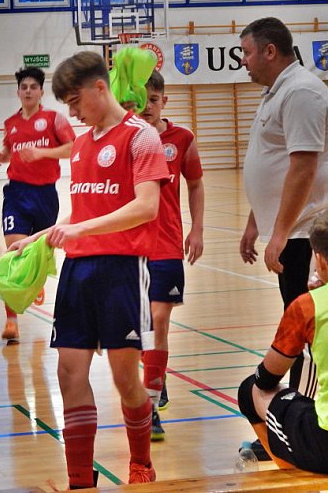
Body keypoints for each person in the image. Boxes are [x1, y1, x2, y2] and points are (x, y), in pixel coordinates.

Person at [12, 51, 169, 487]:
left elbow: (145, 207)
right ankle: (80, 477)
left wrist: (79, 229)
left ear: (100, 87)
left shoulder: (140, 137)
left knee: (124, 378)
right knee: (68, 372)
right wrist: (43, 235)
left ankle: (140, 461)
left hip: (122, 272)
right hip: (78, 273)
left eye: (75, 101)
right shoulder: (81, 145)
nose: (73, 112)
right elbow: (81, 211)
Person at [239, 16, 328, 459]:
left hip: (307, 236)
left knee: (306, 335)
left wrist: (279, 234)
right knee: (297, 328)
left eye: (248, 52)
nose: (244, 61)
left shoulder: (302, 93)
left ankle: (306, 426)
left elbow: (304, 167)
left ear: (270, 51)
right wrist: (255, 222)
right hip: (289, 232)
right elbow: (271, 164)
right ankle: (292, 423)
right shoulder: (276, 92)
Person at [123, 71, 205, 441]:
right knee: (139, 327)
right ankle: (155, 373)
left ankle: (152, 406)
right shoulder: (124, 137)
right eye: (140, 103)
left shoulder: (182, 139)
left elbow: (196, 183)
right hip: (129, 247)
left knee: (159, 321)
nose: (147, 108)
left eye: (153, 101)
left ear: (164, 101)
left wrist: (197, 228)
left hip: (167, 245)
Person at [237, 210, 328, 474]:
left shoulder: (308, 305)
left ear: (320, 260)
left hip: (327, 444)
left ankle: (293, 478)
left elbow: (267, 377)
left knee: (250, 390)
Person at [0, 67, 74, 342]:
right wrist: (1, 156)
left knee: (39, 251)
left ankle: (34, 282)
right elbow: (9, 149)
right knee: (14, 252)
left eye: (33, 87)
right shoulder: (10, 123)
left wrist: (41, 153)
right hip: (16, 194)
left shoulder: (54, 119)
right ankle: (11, 320)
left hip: (45, 195)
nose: (27, 90)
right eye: (23, 86)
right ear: (18, 91)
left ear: (41, 91)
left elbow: (73, 148)